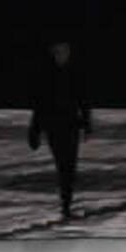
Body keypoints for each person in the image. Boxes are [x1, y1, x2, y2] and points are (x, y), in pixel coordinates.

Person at [29, 40, 91, 218]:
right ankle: (66, 201)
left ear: (69, 53)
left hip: (71, 125)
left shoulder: (76, 73)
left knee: (69, 165)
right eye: (57, 52)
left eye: (64, 51)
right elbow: (40, 104)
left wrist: (87, 124)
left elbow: (83, 100)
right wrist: (35, 129)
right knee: (61, 164)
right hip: (53, 126)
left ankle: (67, 202)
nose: (60, 55)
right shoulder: (46, 75)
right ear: (53, 53)